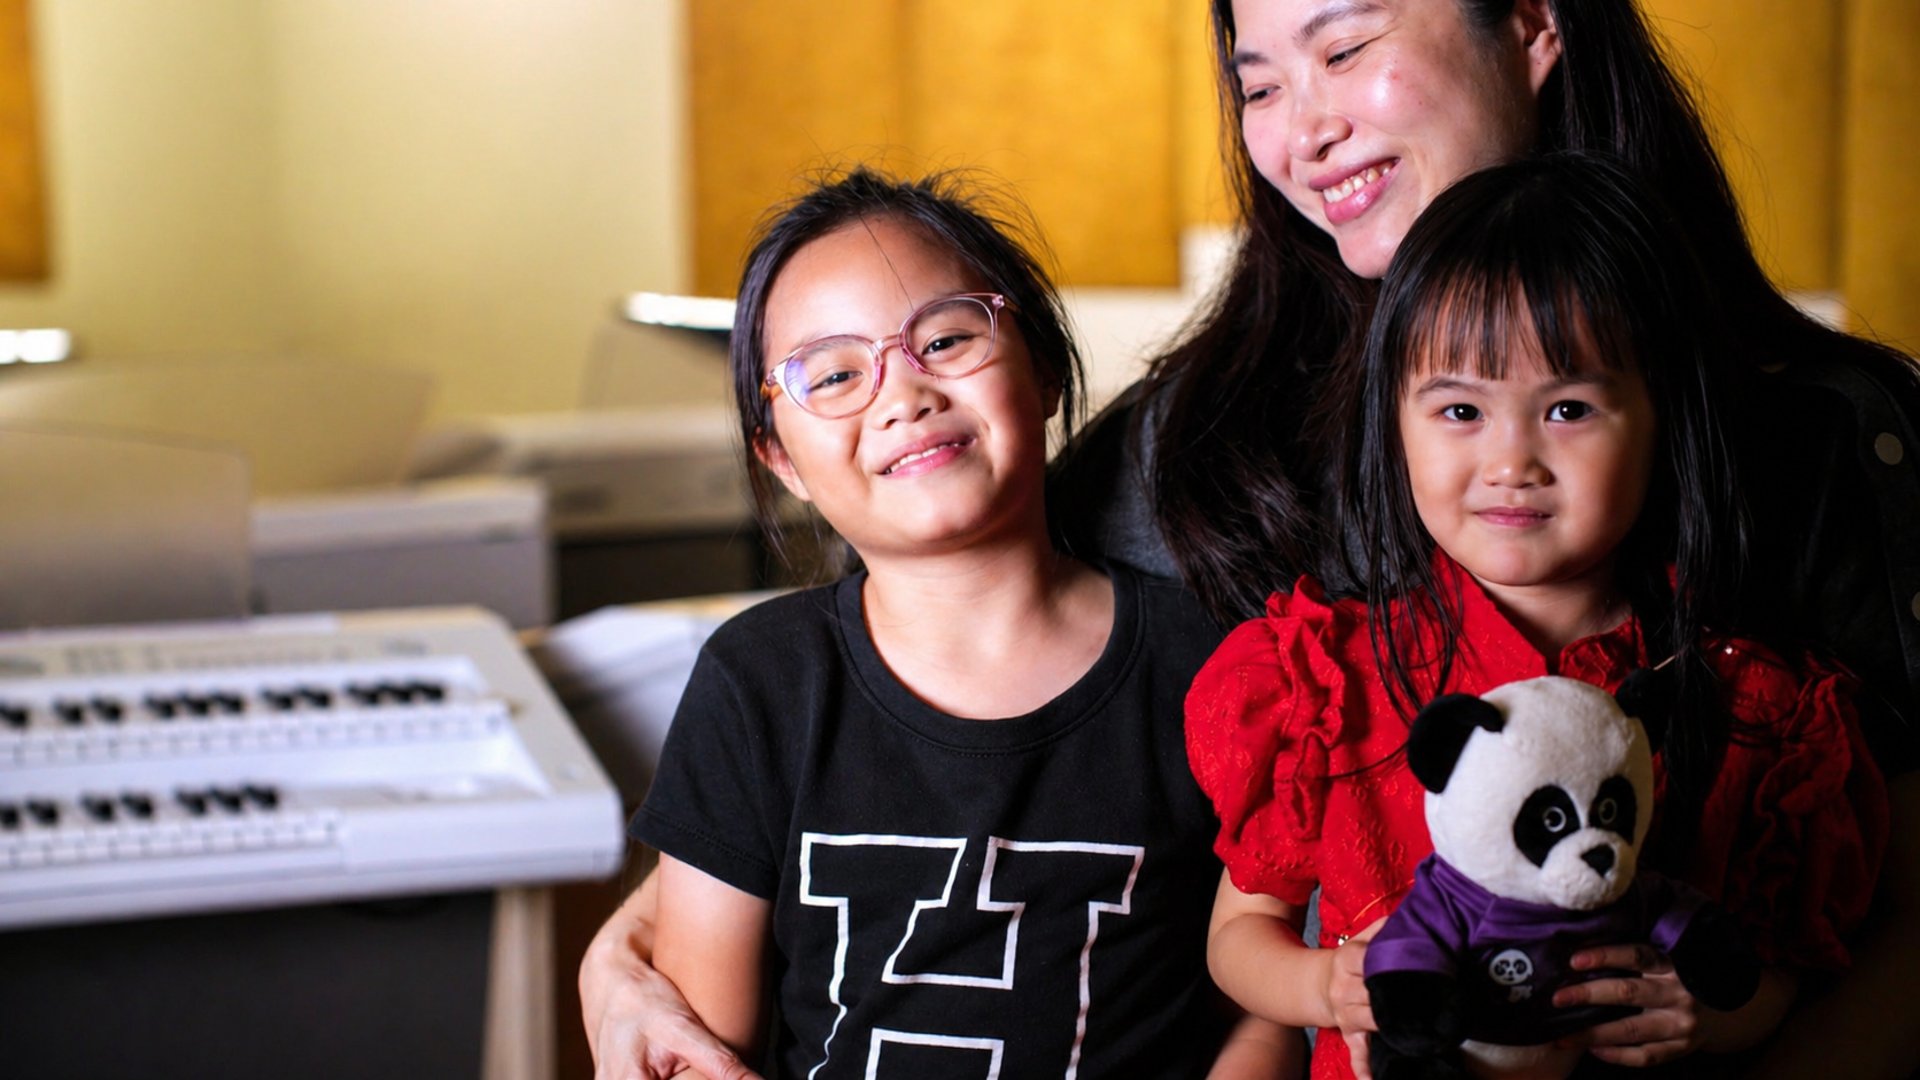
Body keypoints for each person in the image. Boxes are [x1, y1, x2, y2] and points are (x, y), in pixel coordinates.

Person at [584, 2, 1920, 1075]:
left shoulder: (1818, 433)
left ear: (1531, 25)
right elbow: (945, 719)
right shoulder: (1209, 435)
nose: (1305, 128)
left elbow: (1902, 917)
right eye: (1259, 81)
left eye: (1344, 47)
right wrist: (627, 948)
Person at [1189, 151, 1888, 1080]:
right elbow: (1238, 936)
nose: (1512, 461)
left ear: (1661, 417)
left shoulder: (1751, 703)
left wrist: (1713, 1017)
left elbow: (1780, 972)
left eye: (1567, 408)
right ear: (1394, 419)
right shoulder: (1332, 680)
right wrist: (1325, 986)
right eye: (1459, 411)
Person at [619, 168, 1295, 1079]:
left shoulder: (1211, 667)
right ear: (781, 461)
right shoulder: (760, 682)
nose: (903, 396)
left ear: (1045, 368)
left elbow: (1263, 1003)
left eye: (945, 339)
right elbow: (702, 1047)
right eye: (835, 375)